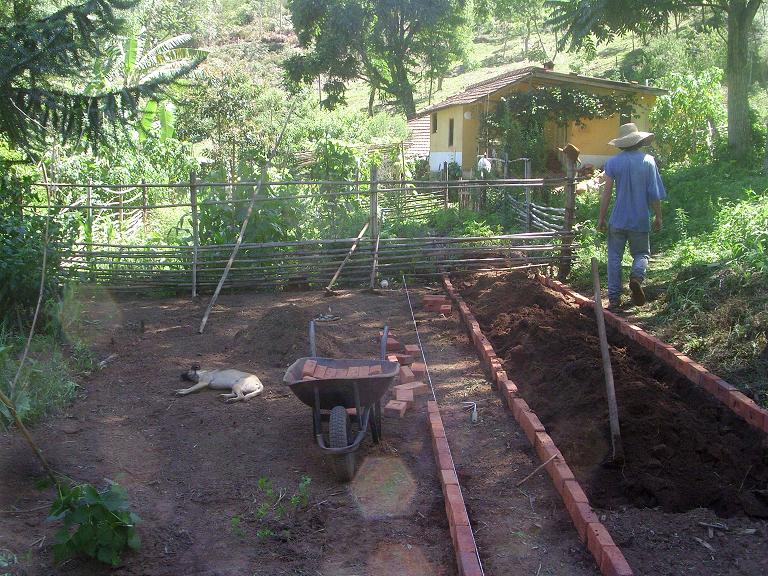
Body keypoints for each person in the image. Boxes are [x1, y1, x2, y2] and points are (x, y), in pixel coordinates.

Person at [598, 123, 666, 310]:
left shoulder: (613, 162)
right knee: (642, 253)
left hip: (618, 219)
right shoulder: (649, 161)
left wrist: (601, 217)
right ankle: (636, 277)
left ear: (621, 143)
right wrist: (658, 216)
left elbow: (607, 193)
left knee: (614, 257)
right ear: (639, 141)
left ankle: (613, 299)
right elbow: (654, 193)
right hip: (640, 219)